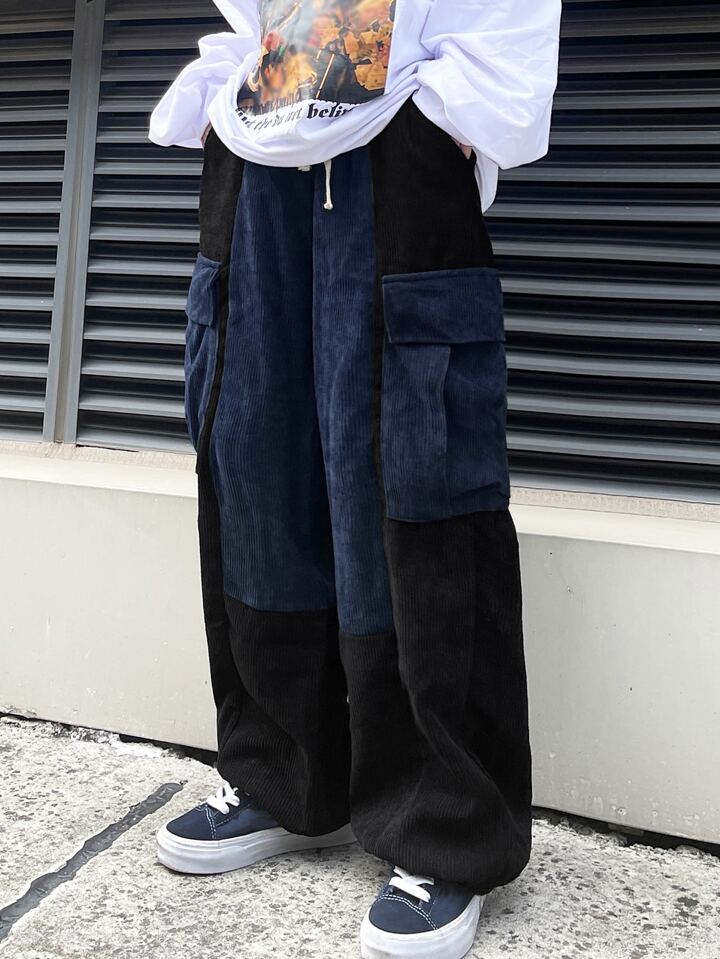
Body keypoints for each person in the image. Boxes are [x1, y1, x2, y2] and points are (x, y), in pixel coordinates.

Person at [149, 2, 560, 957]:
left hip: (399, 137)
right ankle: (285, 776)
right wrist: (229, 97)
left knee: (416, 480)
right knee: (256, 467)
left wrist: (437, 114)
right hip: (261, 136)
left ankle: (445, 829)